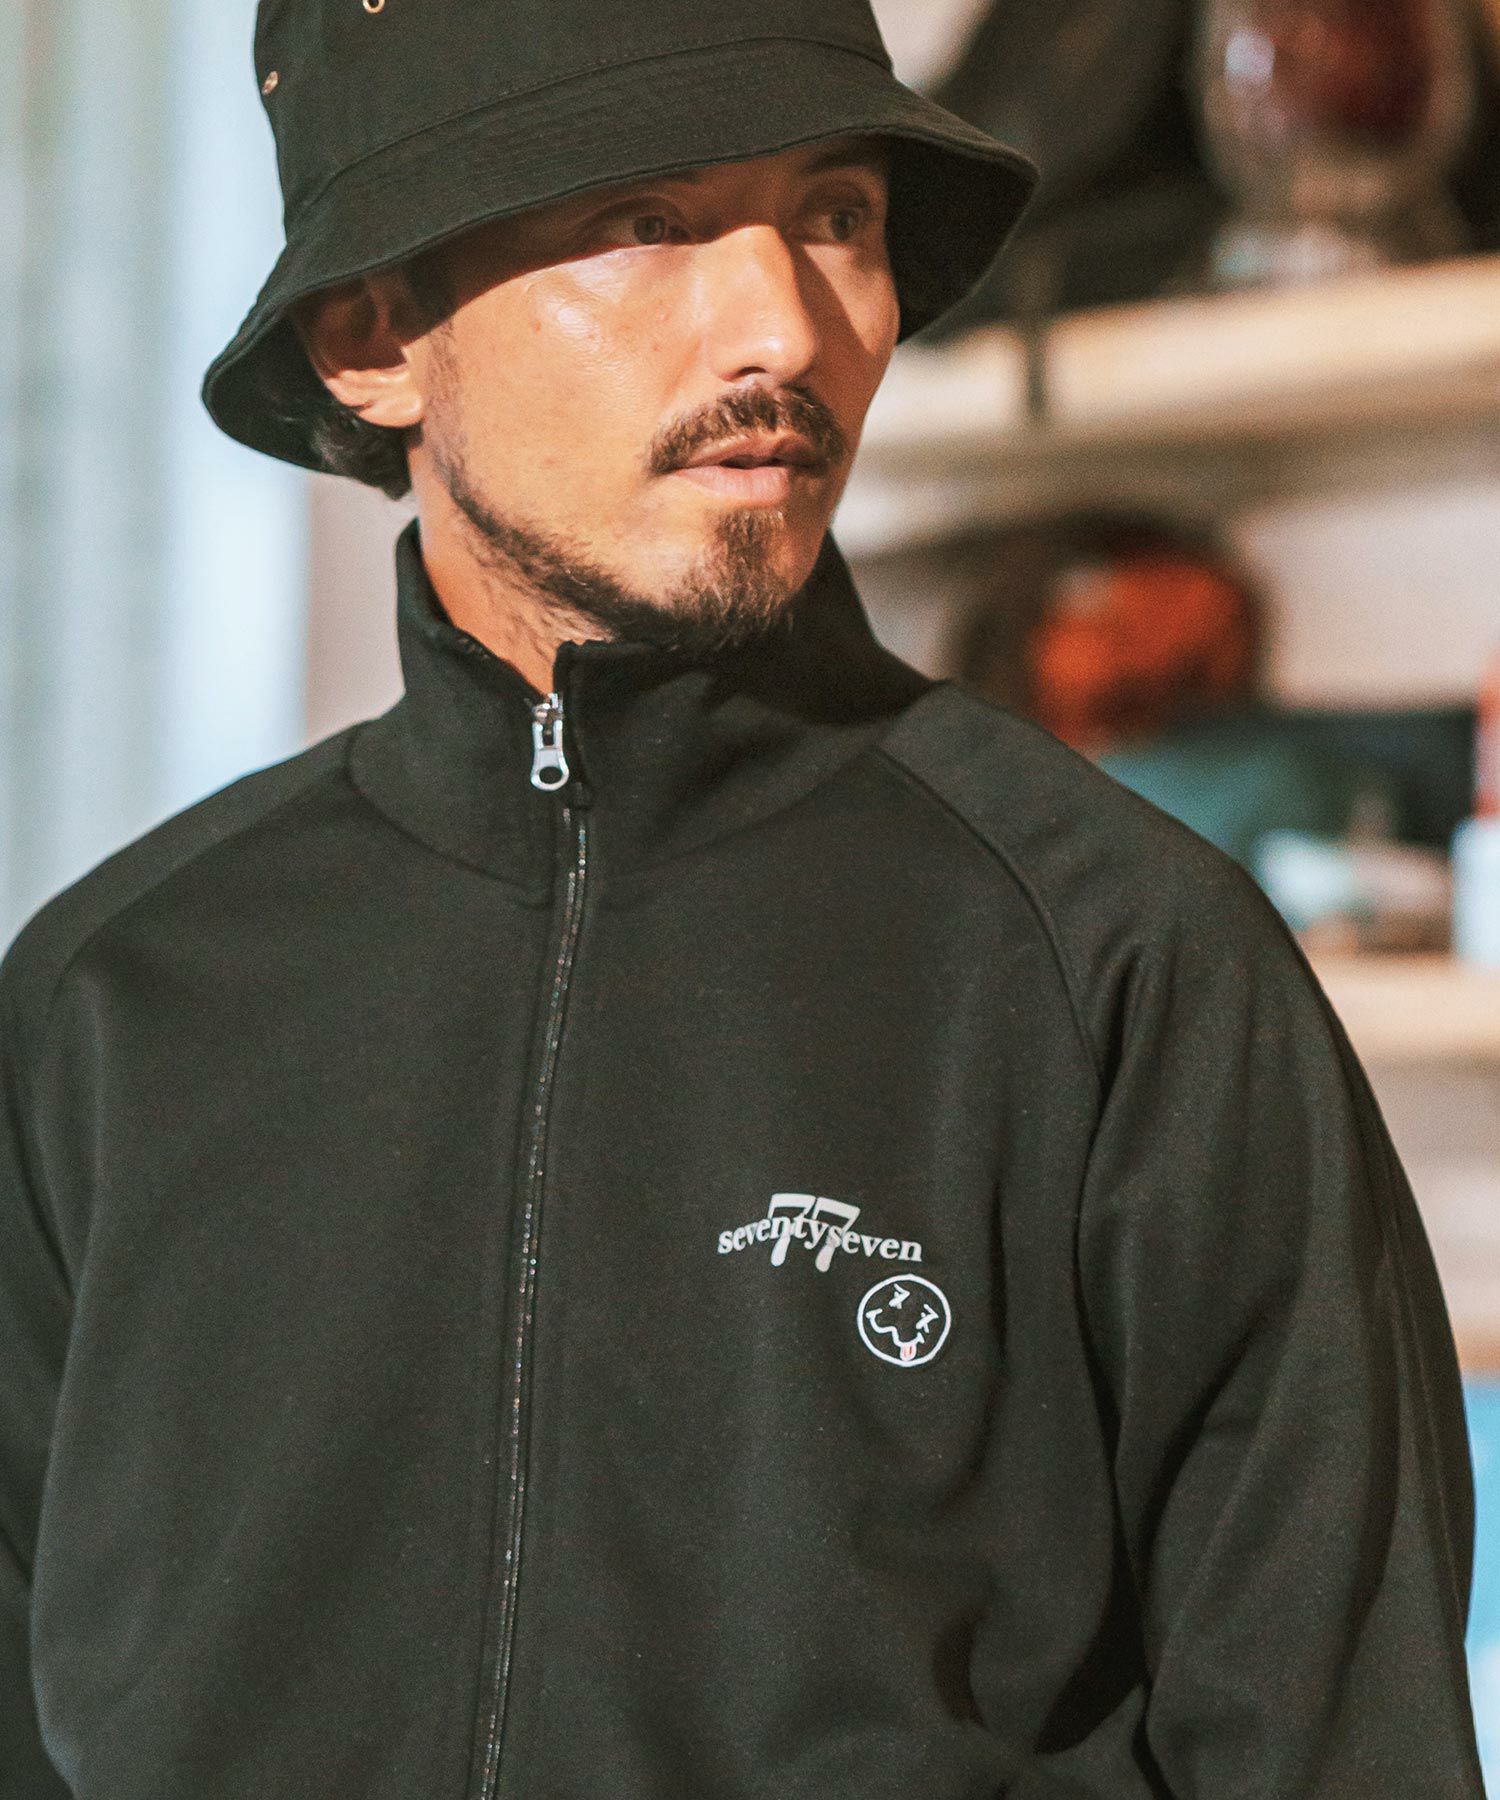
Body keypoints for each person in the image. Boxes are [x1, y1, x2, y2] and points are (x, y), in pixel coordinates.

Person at [0, 3, 1483, 1796]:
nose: (785, 326)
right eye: (646, 223)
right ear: (374, 336)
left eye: (835, 216)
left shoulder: (1127, 968)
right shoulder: (107, 1010)